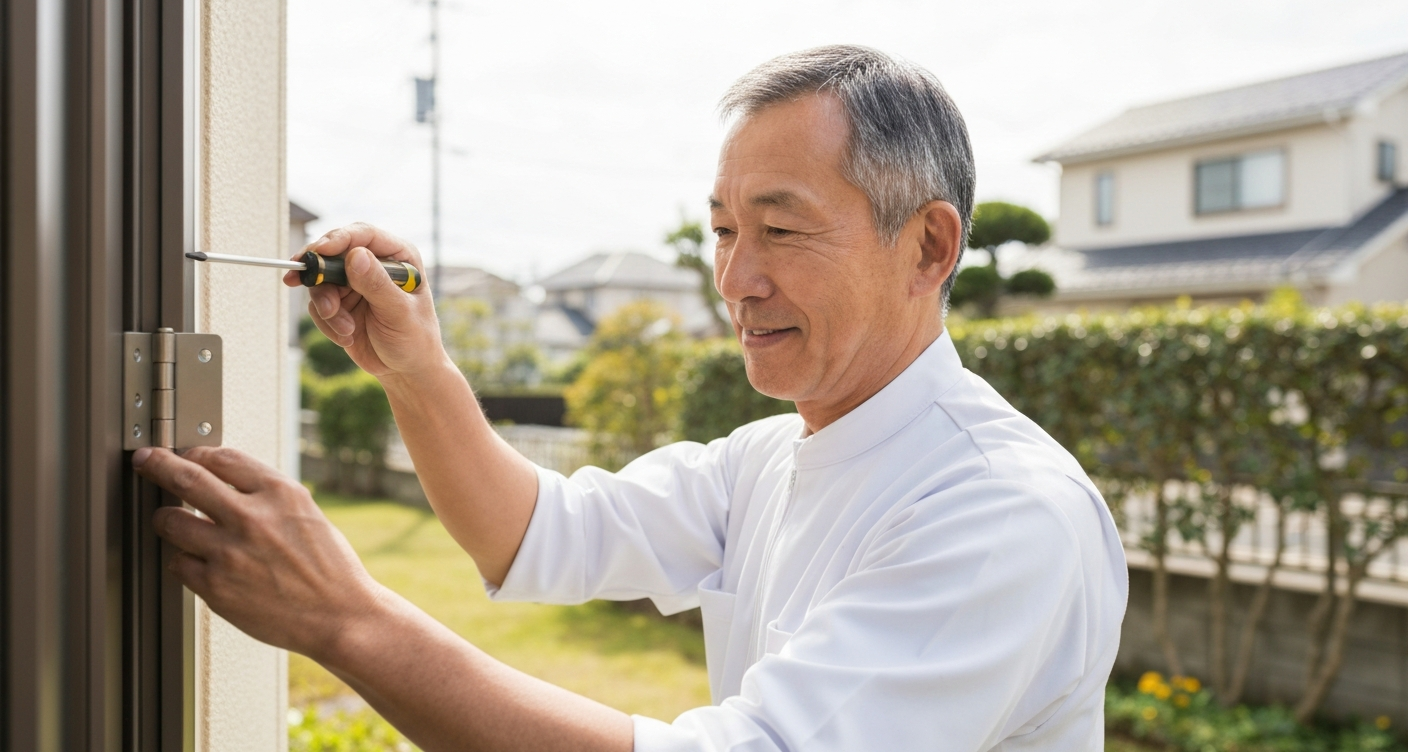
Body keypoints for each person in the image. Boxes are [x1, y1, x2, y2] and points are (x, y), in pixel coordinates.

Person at [132, 45, 1127, 751]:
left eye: (779, 230)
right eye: (722, 231)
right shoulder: (769, 460)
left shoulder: (998, 513)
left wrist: (346, 620)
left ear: (930, 247)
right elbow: (534, 533)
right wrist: (414, 366)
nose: (735, 278)